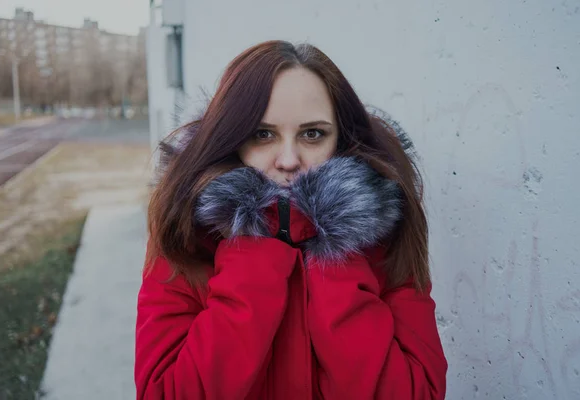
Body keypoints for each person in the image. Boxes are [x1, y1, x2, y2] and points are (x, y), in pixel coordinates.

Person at [135, 40, 448, 399]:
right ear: (230, 138)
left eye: (312, 134)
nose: (288, 159)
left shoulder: (383, 239)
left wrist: (337, 249)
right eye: (262, 134)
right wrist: (251, 248)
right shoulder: (187, 237)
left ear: (341, 140)